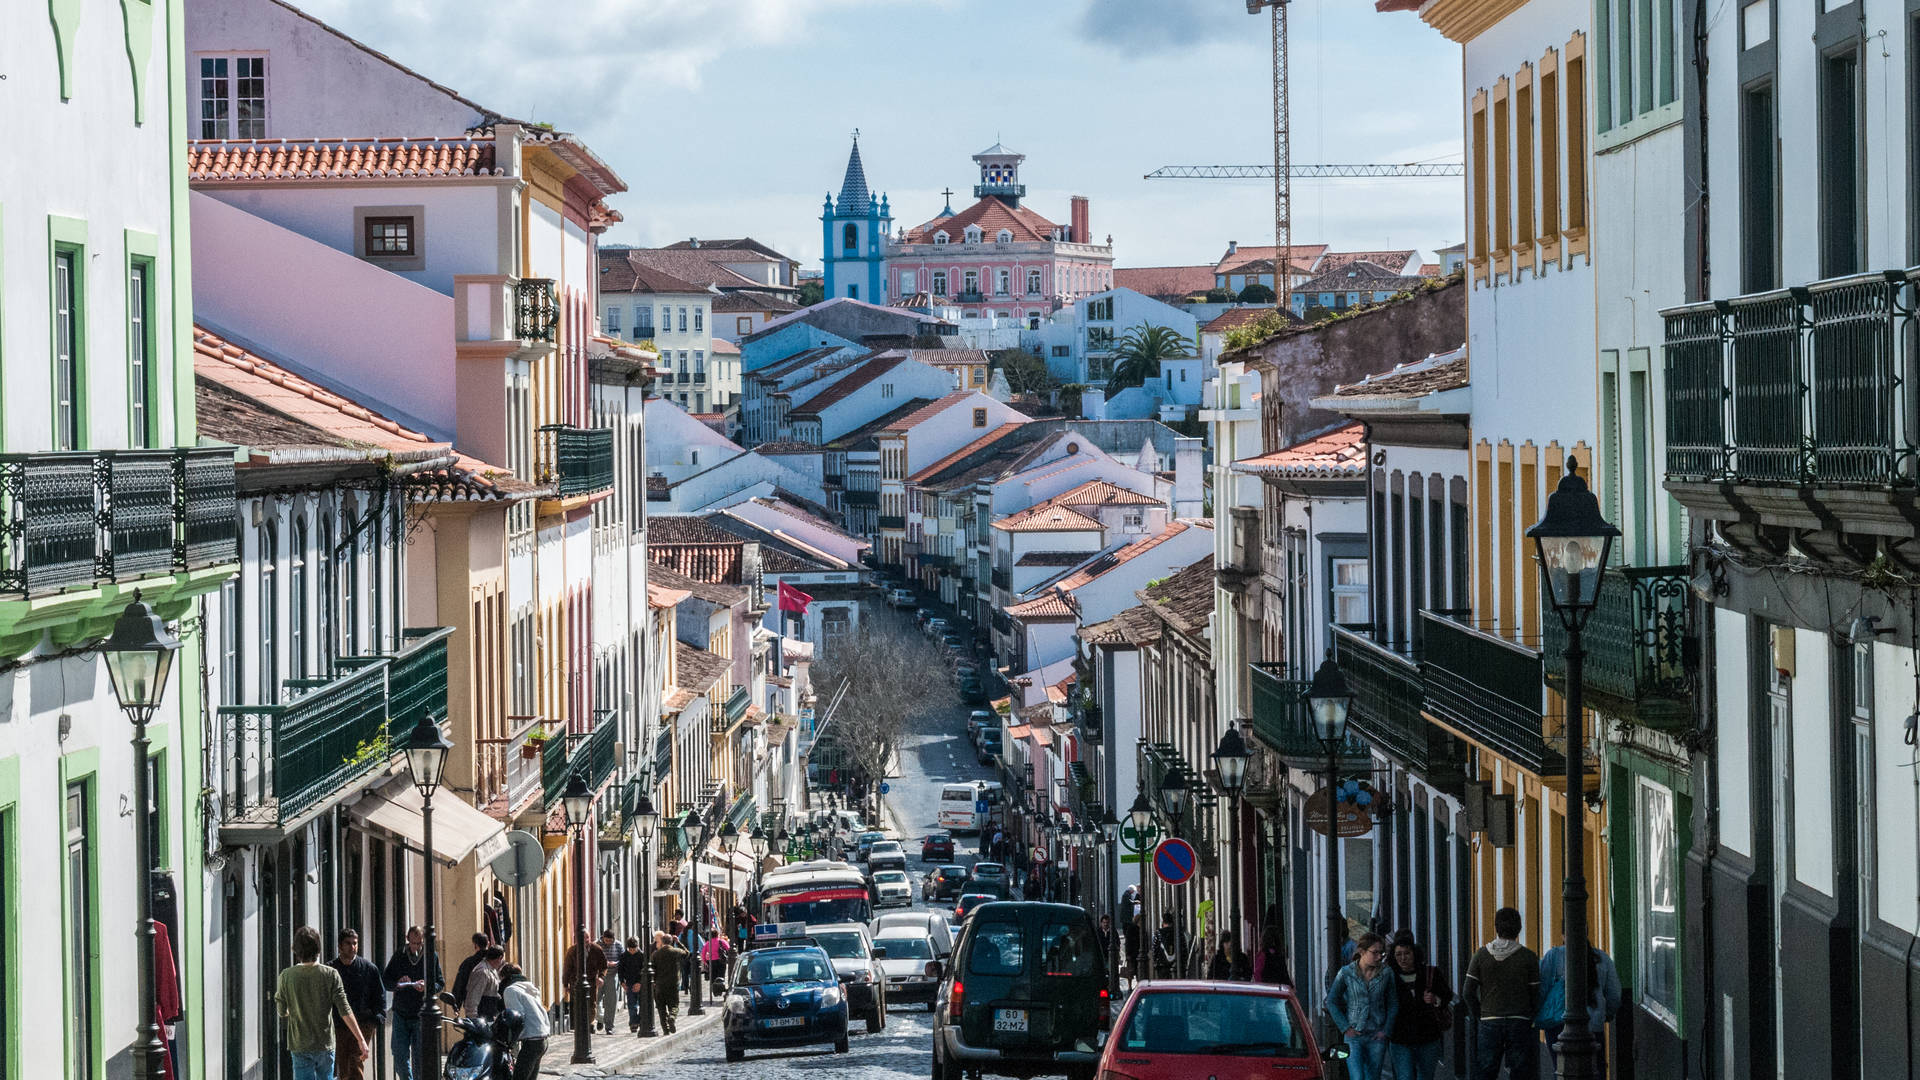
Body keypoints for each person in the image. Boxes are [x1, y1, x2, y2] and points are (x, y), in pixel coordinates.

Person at [275, 925, 368, 1080]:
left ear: (296, 951)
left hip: (300, 1043)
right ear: (318, 949)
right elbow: (344, 1009)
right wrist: (361, 1040)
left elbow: (281, 1010)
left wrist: (294, 1009)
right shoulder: (330, 974)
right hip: (324, 1042)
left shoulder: (286, 976)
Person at [1464, 906, 1541, 1080]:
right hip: (1519, 1020)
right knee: (1520, 1071)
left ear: (1496, 928)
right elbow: (1535, 993)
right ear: (1519, 929)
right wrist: (1529, 1014)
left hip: (1489, 1020)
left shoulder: (1481, 955)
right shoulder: (1528, 957)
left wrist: (1480, 1013)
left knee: (1486, 1070)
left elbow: (1467, 992)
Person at [1537, 936, 1623, 1070]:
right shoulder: (1602, 958)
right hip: (1594, 1024)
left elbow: (1541, 991)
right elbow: (1614, 995)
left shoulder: (1553, 956)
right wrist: (1607, 1014)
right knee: (1594, 1070)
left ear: (1563, 936)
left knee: (1561, 1069)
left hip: (1557, 1024)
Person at [1326, 932, 1397, 1080]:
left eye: (1381, 953)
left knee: (1373, 1076)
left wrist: (1385, 1031)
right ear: (1362, 951)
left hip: (1376, 1035)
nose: (1379, 957)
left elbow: (1393, 1004)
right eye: (1375, 953)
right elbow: (1331, 1001)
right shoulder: (1346, 973)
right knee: (1357, 1076)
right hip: (1354, 1035)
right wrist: (1345, 1027)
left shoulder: (1386, 974)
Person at [1386, 931, 1455, 1080]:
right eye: (1398, 954)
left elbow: (1447, 995)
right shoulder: (1389, 977)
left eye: (1407, 953)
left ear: (1414, 953)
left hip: (1427, 1038)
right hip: (1400, 1039)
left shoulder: (1431, 973)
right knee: (1405, 1076)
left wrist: (1435, 999)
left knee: (1426, 1076)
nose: (1403, 958)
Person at [382, 926, 441, 1080]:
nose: (416, 947)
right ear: (408, 940)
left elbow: (439, 982)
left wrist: (427, 987)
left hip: (420, 1014)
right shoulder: (399, 956)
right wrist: (398, 983)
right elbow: (386, 980)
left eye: (420, 943)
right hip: (401, 1012)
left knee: (419, 1057)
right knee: (399, 1055)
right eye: (414, 943)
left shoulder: (431, 956)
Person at [328, 929, 385, 1080]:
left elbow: (379, 996)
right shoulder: (331, 970)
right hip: (339, 1026)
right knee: (342, 1068)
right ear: (340, 946)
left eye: (355, 943)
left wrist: (375, 1020)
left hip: (363, 1024)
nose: (352, 947)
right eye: (348, 943)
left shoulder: (369, 969)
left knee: (356, 1065)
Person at [498, 964, 550, 1080]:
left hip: (532, 1040)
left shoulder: (510, 990)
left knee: (519, 1077)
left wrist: (510, 1040)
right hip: (542, 1038)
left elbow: (516, 1016)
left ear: (504, 977)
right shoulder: (529, 988)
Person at [563, 927, 608, 1034]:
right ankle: (581, 1024)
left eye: (587, 937)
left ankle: (590, 1023)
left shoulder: (596, 949)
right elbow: (567, 969)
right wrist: (565, 984)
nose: (586, 940)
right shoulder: (572, 951)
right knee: (578, 1003)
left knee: (591, 1003)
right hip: (576, 982)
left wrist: (601, 977)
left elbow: (604, 965)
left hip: (592, 981)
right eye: (583, 938)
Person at [649, 931, 689, 1033]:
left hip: (659, 984)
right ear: (671, 942)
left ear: (662, 941)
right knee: (674, 1005)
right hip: (673, 983)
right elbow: (687, 953)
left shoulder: (656, 954)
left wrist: (654, 981)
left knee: (661, 1008)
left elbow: (652, 968)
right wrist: (678, 942)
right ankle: (672, 1017)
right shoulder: (676, 951)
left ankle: (665, 1029)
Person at [449, 932, 489, 1014]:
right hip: (490, 1006)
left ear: (475, 945)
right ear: (488, 943)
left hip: (473, 1007)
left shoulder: (468, 963)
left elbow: (460, 984)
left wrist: (456, 1006)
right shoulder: (494, 962)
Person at [617, 937, 650, 1034]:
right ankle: (633, 1023)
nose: (632, 951)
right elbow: (620, 970)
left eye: (634, 949)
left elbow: (644, 969)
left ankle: (639, 1020)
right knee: (632, 1004)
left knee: (643, 1004)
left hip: (641, 983)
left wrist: (640, 983)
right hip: (629, 983)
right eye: (630, 949)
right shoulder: (624, 956)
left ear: (637, 947)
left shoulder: (642, 955)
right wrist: (622, 982)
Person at [462, 946, 505, 1020]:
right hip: (481, 1016)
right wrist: (473, 1018)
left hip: (490, 1014)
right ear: (500, 958)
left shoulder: (492, 970)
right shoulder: (482, 972)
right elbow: (473, 996)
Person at [596, 929, 623, 1034]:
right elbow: (594, 959)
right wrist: (606, 963)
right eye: (606, 940)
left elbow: (623, 958)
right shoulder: (597, 945)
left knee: (611, 1002)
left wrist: (616, 963)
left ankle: (609, 1026)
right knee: (596, 1000)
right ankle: (600, 1018)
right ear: (603, 938)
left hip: (612, 976)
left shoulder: (618, 945)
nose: (608, 942)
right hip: (599, 976)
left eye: (610, 941)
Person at [1151, 912, 1182, 979]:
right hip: (1176, 964)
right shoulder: (1178, 932)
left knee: (1163, 984)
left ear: (1163, 922)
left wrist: (1155, 961)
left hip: (1162, 964)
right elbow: (1183, 947)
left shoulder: (1158, 933)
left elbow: (1154, 948)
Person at [1122, 913, 1143, 986]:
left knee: (1138, 970)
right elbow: (1128, 942)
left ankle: (1137, 983)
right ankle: (1130, 985)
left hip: (1138, 953)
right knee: (1130, 970)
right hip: (1132, 953)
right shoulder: (1131, 929)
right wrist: (1128, 954)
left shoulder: (1141, 929)